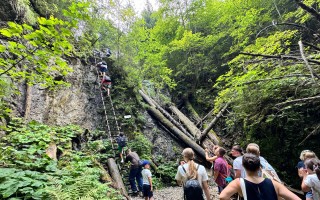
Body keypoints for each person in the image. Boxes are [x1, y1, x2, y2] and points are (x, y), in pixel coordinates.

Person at [219, 153, 301, 200]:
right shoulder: (274, 183)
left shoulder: (238, 183)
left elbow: (222, 197)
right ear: (259, 167)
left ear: (243, 166)